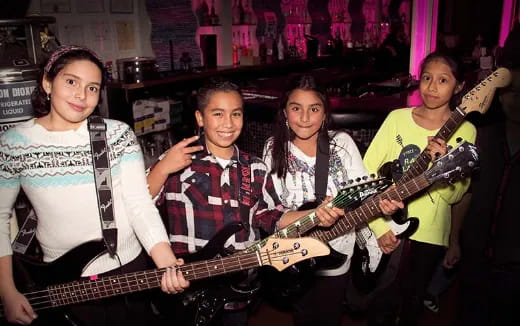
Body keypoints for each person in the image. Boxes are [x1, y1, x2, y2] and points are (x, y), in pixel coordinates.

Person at [0, 45, 189, 326]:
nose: (81, 95)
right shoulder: (14, 143)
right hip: (61, 280)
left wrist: (166, 262)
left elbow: (139, 204)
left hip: (127, 270)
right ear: (47, 82)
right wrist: (7, 292)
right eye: (71, 81)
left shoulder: (116, 135)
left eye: (92, 88)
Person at [146, 78, 345, 326]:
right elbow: (141, 205)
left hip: (238, 290)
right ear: (200, 118)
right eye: (217, 114)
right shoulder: (179, 159)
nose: (228, 124)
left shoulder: (255, 168)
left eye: (236, 114)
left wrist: (315, 214)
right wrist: (163, 168)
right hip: (188, 288)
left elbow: (274, 217)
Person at [262, 75, 403, 326]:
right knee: (303, 316)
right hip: (294, 255)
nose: (305, 117)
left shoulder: (342, 143)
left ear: (325, 113)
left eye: (314, 109)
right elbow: (271, 208)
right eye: (296, 108)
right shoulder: (274, 148)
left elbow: (364, 195)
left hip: (338, 252)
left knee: (330, 316)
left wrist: (382, 206)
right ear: (285, 113)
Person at [363, 52, 476, 325]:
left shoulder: (466, 131)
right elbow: (366, 173)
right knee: (378, 306)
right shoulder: (396, 119)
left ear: (459, 86)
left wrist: (441, 166)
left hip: (429, 236)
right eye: (427, 78)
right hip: (386, 226)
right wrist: (379, 228)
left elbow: (454, 196)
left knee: (411, 306)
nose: (432, 87)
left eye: (443, 80)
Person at [458, 22, 520, 326]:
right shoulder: (482, 136)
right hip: (475, 260)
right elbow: (464, 193)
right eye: (510, 92)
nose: (516, 101)